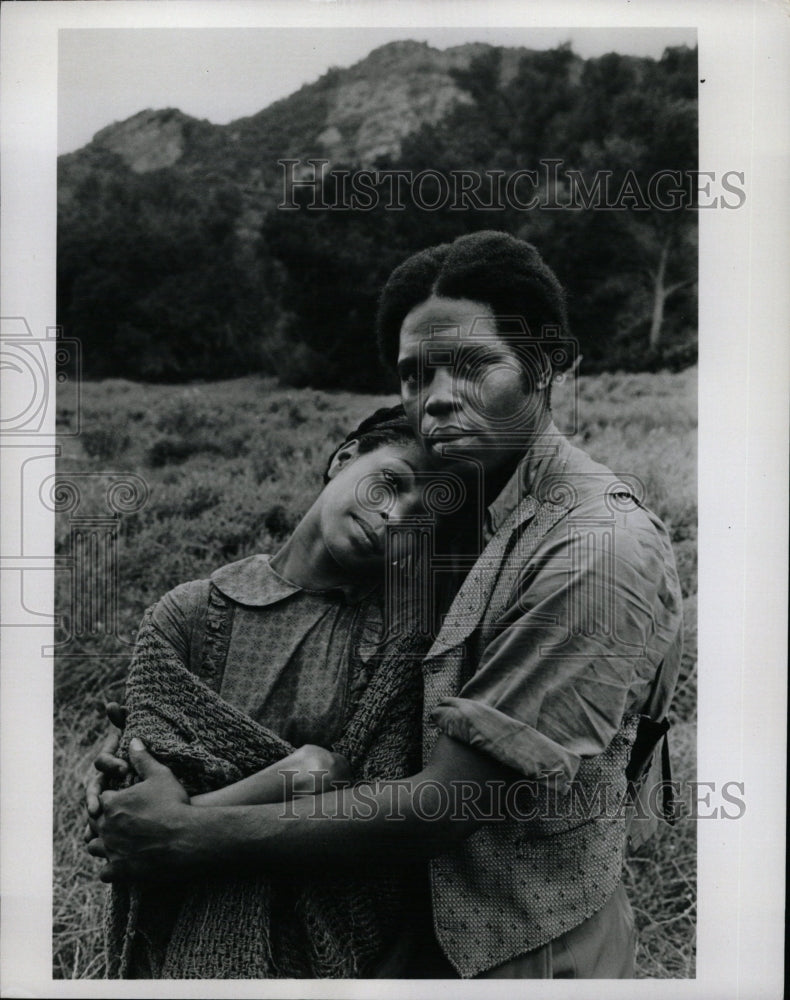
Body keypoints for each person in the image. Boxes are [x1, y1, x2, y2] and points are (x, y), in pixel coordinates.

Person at [88, 231, 683, 980]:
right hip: (416, 947)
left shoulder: (595, 548)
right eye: (414, 374)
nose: (435, 397)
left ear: (545, 365)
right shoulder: (465, 517)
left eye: (471, 365)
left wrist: (186, 837)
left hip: (534, 956)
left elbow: (450, 801)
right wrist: (134, 765)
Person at [86, 408, 442, 978]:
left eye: (421, 518)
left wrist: (178, 825)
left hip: (334, 939)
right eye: (391, 483)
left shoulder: (402, 641)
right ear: (344, 459)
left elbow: (379, 803)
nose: (394, 516)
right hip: (183, 917)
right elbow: (140, 776)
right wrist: (306, 770)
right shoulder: (190, 612)